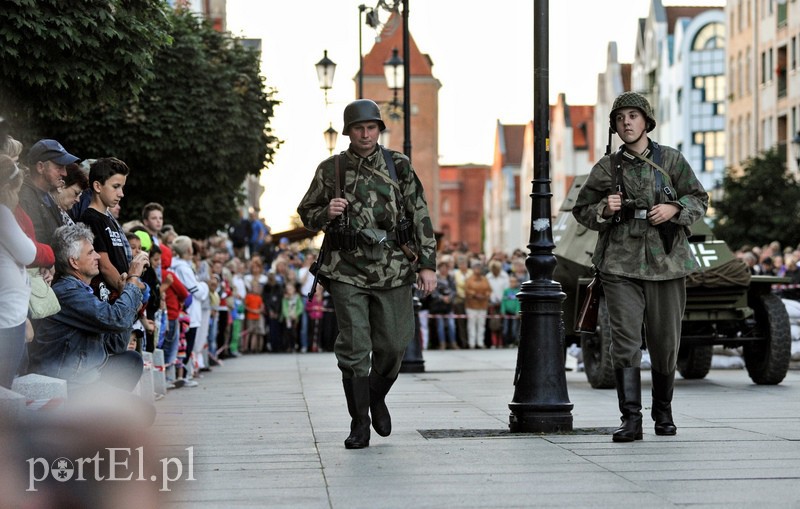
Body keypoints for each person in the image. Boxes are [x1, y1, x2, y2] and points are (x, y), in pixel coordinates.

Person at [297, 99, 437, 449]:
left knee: (393, 344)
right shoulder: (332, 169)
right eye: (359, 128)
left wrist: (428, 264)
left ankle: (375, 397)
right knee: (355, 346)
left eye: (371, 127)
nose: (365, 134)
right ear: (349, 131)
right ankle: (359, 422)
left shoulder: (398, 165)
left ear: (378, 129)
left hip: (393, 268)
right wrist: (325, 212)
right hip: (347, 269)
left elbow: (419, 212)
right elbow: (306, 211)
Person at [572, 91, 708, 442]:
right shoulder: (606, 167)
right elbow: (581, 210)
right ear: (615, 126)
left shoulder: (672, 160)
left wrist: (676, 210)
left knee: (665, 342)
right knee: (625, 341)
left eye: (633, 116)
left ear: (646, 121)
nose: (626, 123)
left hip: (666, 261)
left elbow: (698, 197)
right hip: (619, 263)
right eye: (620, 118)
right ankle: (630, 419)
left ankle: (663, 413)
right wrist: (604, 207)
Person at [27, 223, 149, 391]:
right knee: (141, 413)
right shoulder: (67, 292)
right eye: (91, 252)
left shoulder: (82, 290)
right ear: (74, 262)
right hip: (66, 380)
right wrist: (133, 277)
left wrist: (125, 296)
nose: (98, 256)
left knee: (131, 361)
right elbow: (117, 320)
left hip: (86, 375)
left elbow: (116, 345)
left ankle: (104, 412)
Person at [0, 155, 36, 388]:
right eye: (17, 191)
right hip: (8, 315)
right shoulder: (2, 213)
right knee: (4, 385)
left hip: (8, 311)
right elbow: (29, 253)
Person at [79, 157, 133, 301]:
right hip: (108, 299)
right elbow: (105, 266)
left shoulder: (109, 219)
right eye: (116, 187)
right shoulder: (91, 218)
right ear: (97, 186)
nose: (121, 194)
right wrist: (129, 295)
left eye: (122, 187)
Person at [18, 139, 79, 247]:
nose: (64, 173)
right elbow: (36, 245)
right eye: (59, 167)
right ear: (40, 167)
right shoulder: (25, 198)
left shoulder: (46, 195)